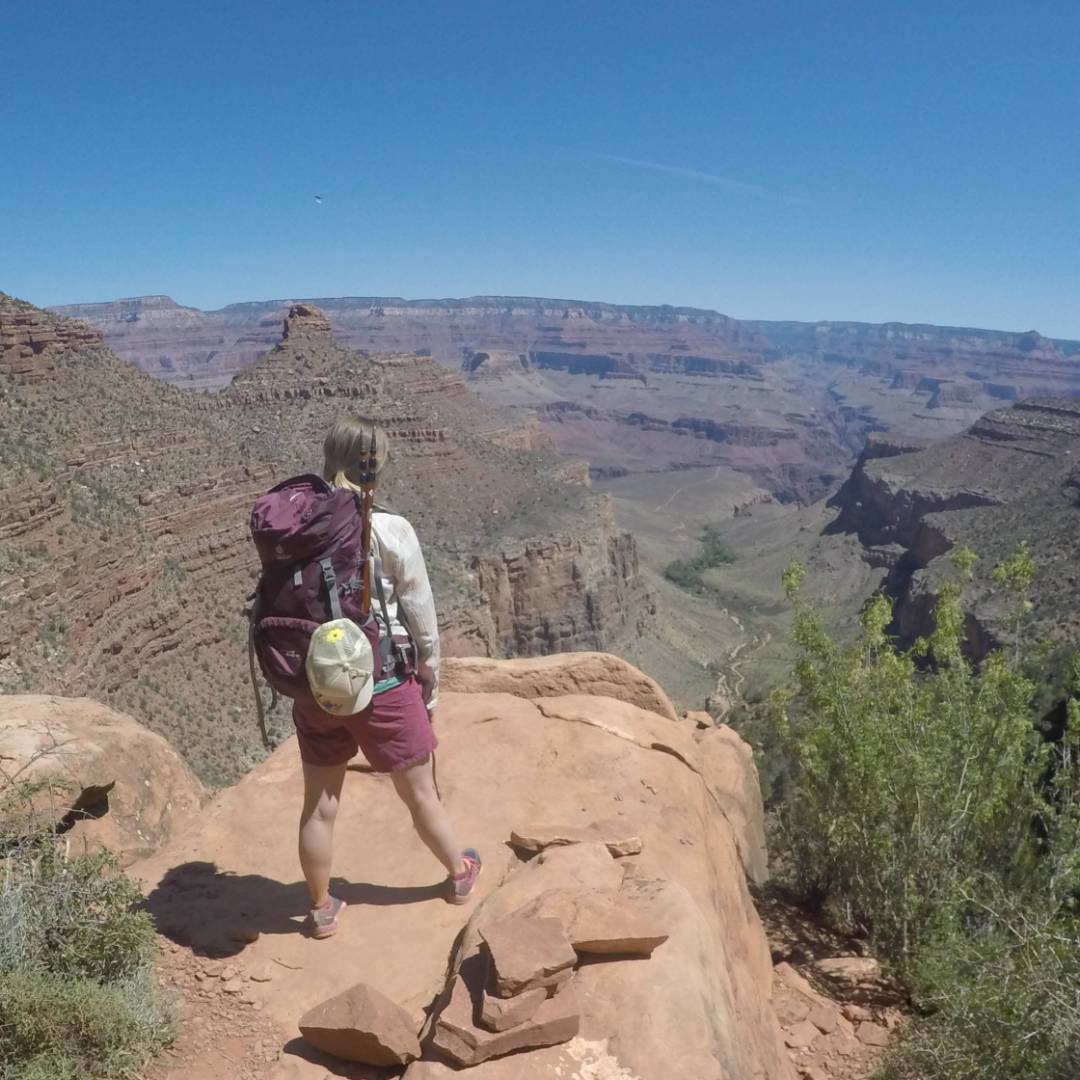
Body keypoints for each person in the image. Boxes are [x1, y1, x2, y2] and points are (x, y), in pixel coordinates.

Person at [292, 416, 481, 939]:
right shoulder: (391, 529)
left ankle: (321, 907)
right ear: (376, 462)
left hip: (319, 685)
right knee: (420, 793)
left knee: (320, 805)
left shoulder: (300, 525)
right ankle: (460, 872)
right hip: (381, 683)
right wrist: (431, 684)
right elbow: (421, 617)